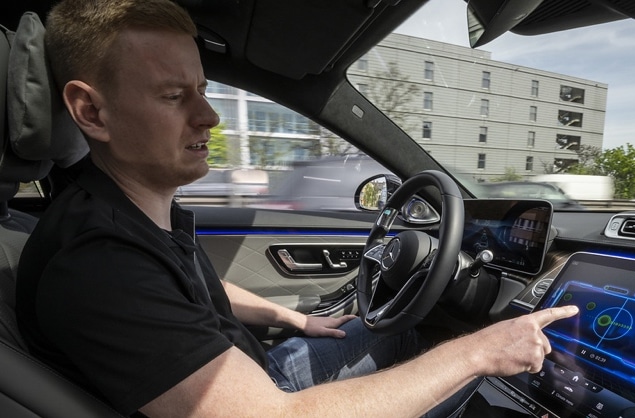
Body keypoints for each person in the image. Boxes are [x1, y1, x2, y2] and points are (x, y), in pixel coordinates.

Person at [15, 0, 579, 417]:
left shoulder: (129, 212)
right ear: (90, 111)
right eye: (173, 95)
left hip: (249, 376)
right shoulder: (99, 261)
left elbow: (191, 286)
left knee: (406, 336)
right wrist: (480, 353)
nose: (209, 116)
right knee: (470, 373)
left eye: (202, 89)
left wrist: (294, 319)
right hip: (267, 399)